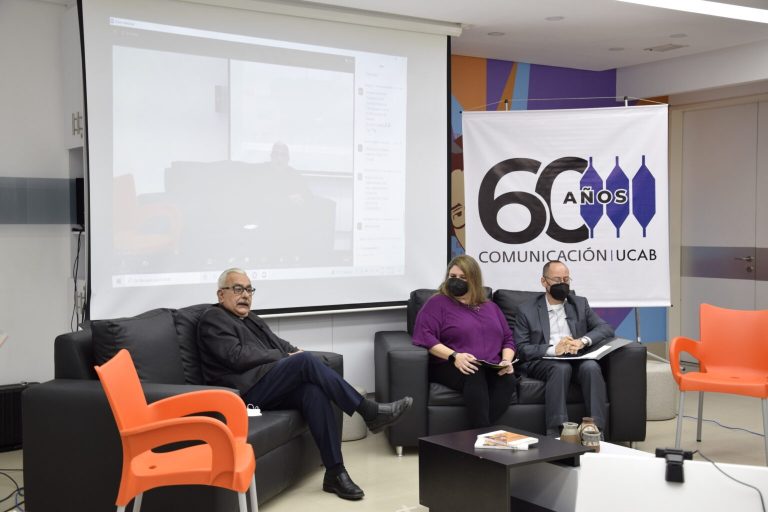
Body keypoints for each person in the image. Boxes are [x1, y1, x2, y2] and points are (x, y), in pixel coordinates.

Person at [197, 268, 413, 501]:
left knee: (313, 392)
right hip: (243, 396)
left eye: (249, 290)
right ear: (221, 294)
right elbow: (236, 356)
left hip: (264, 386)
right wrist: (287, 357)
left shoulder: (251, 319)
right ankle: (368, 411)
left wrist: (293, 351)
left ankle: (335, 472)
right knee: (304, 361)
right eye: (238, 289)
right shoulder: (213, 318)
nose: (245, 295)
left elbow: (279, 343)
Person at [412, 255, 517, 428]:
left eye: (463, 277)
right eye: (452, 276)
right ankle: (483, 433)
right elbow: (425, 336)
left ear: (474, 280)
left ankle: (480, 431)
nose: (456, 281)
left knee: (508, 380)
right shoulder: (437, 303)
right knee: (474, 373)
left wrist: (506, 360)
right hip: (450, 363)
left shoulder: (491, 307)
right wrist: (455, 356)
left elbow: (508, 339)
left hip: (490, 365)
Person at [514, 260, 614, 437]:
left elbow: (605, 328)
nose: (563, 284)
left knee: (591, 367)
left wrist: (582, 341)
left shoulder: (579, 304)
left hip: (577, 358)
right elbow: (521, 348)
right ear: (544, 282)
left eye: (566, 280)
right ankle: (557, 432)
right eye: (557, 280)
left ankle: (596, 431)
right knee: (560, 368)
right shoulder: (526, 309)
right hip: (543, 361)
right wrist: (554, 349)